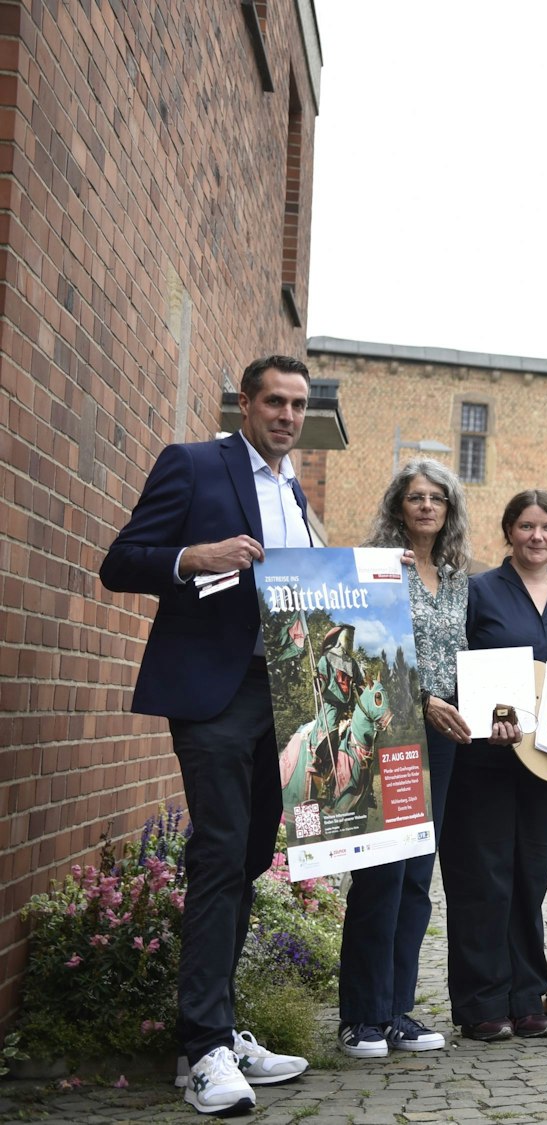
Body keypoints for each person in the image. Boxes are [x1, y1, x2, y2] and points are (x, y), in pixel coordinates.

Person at [101, 355, 316, 1116]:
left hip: (278, 693)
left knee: (250, 854)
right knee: (222, 851)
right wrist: (194, 556)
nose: (287, 416)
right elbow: (120, 562)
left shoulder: (295, 493)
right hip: (213, 693)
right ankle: (203, 1047)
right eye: (275, 402)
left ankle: (218, 1028)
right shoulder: (193, 465)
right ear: (245, 406)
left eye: (298, 404)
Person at [441, 489, 547, 1042]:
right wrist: (481, 715)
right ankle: (481, 1003)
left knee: (529, 879)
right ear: (509, 531)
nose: (538, 536)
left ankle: (526, 997)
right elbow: (454, 665)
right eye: (527, 526)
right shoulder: (477, 591)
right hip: (484, 758)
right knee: (483, 878)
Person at [334, 460, 472, 1059]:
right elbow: (364, 653)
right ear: (398, 505)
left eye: (437, 498)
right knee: (380, 875)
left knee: (417, 876)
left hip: (442, 739)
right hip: (390, 730)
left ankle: (396, 1012)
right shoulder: (375, 569)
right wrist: (421, 700)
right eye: (416, 497)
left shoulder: (457, 577)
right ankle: (359, 1016)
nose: (426, 506)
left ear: (449, 510)